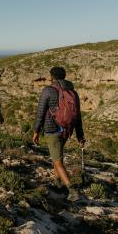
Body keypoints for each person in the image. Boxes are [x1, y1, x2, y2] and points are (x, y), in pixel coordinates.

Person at [32, 66, 85, 202]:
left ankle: (72, 190)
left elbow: (41, 112)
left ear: (52, 77)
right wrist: (80, 135)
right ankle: (58, 183)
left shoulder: (48, 90)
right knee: (57, 156)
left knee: (58, 161)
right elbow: (78, 116)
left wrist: (36, 131)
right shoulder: (73, 92)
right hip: (67, 129)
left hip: (52, 129)